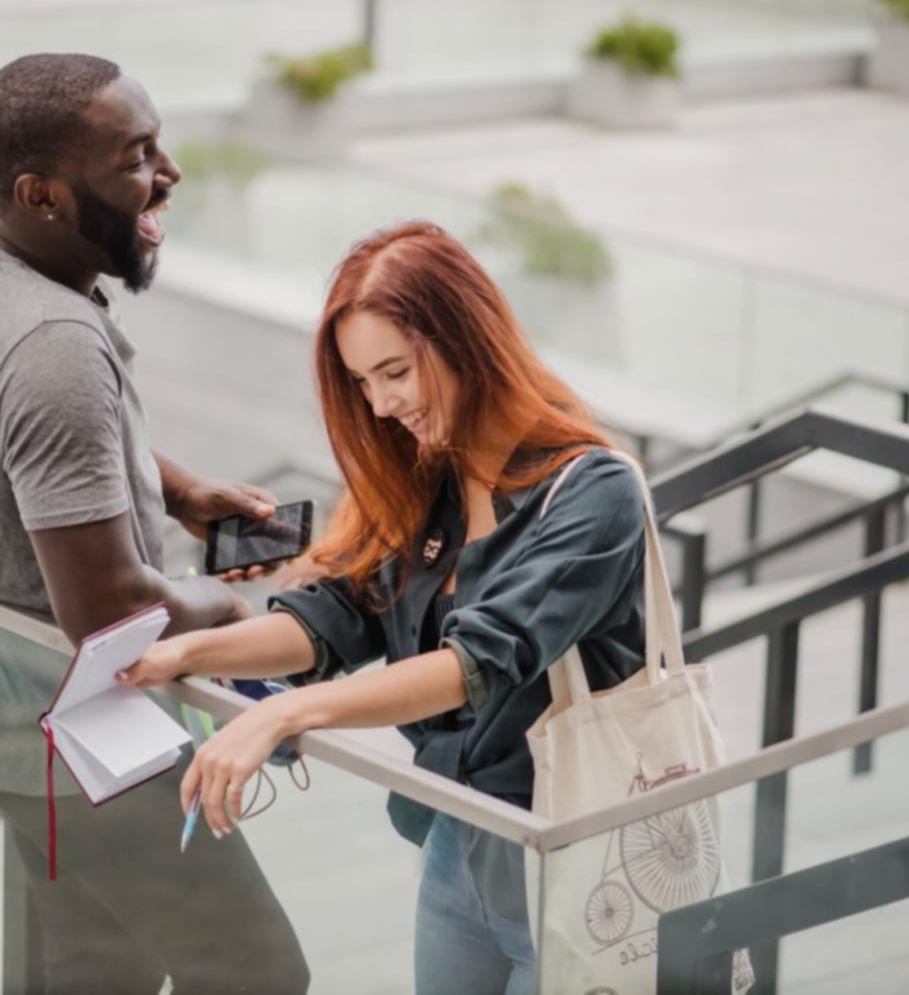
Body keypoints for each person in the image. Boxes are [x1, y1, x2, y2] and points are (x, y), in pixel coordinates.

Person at [119, 221, 649, 995]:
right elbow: (334, 617)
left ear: (464, 337)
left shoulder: (596, 493)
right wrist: (187, 653)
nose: (381, 403)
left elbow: (472, 665)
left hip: (570, 849)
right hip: (455, 834)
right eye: (363, 383)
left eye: (394, 371)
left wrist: (282, 715)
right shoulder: (428, 477)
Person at [0, 52, 308, 994]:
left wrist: (176, 491)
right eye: (135, 158)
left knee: (93, 965)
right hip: (67, 722)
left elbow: (31, 434)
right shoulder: (54, 350)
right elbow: (112, 617)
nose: (168, 174)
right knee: (256, 971)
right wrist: (251, 614)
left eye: (156, 143)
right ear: (41, 196)